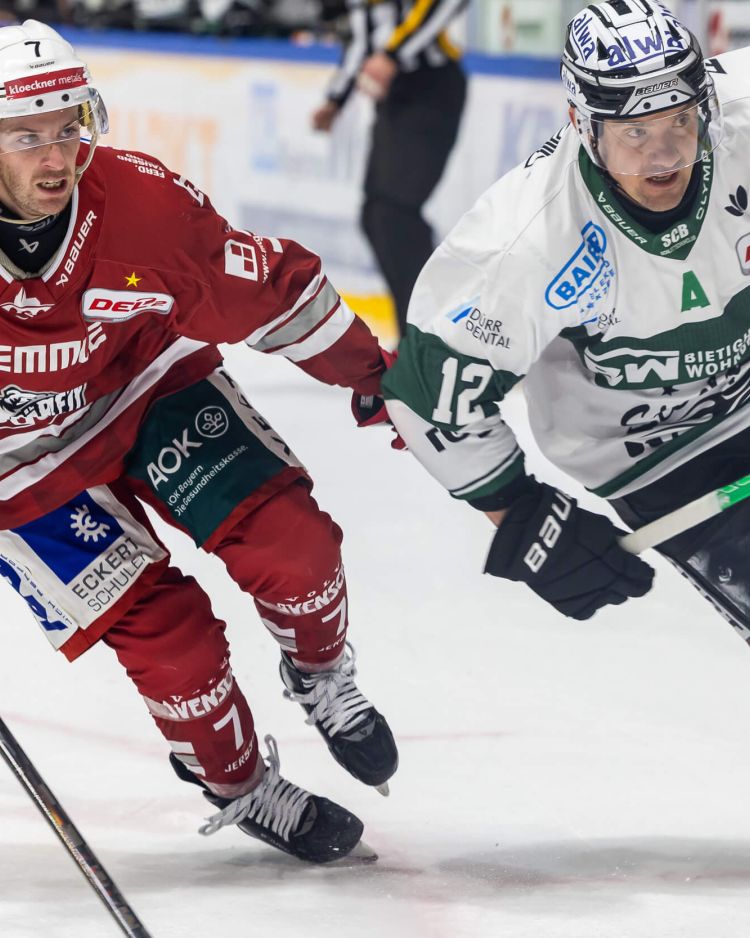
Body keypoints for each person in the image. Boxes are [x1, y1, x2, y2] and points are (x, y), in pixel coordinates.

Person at [0, 19, 399, 864]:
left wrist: (374, 377)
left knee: (295, 551)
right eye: (27, 137)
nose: (57, 157)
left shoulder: (139, 208)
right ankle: (242, 785)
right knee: (176, 648)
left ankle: (320, 671)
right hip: (19, 470)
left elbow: (274, 291)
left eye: (69, 126)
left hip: (144, 387)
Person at [382, 0, 750, 637]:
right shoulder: (526, 241)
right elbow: (426, 395)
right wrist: (523, 516)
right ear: (583, 123)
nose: (664, 156)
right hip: (661, 457)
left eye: (679, 122)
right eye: (635, 134)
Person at [312, 0, 468, 340]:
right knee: (375, 216)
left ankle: (430, 335)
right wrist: (336, 98)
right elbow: (361, 36)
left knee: (395, 216)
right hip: (394, 96)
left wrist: (393, 55)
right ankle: (420, 332)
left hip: (432, 88)